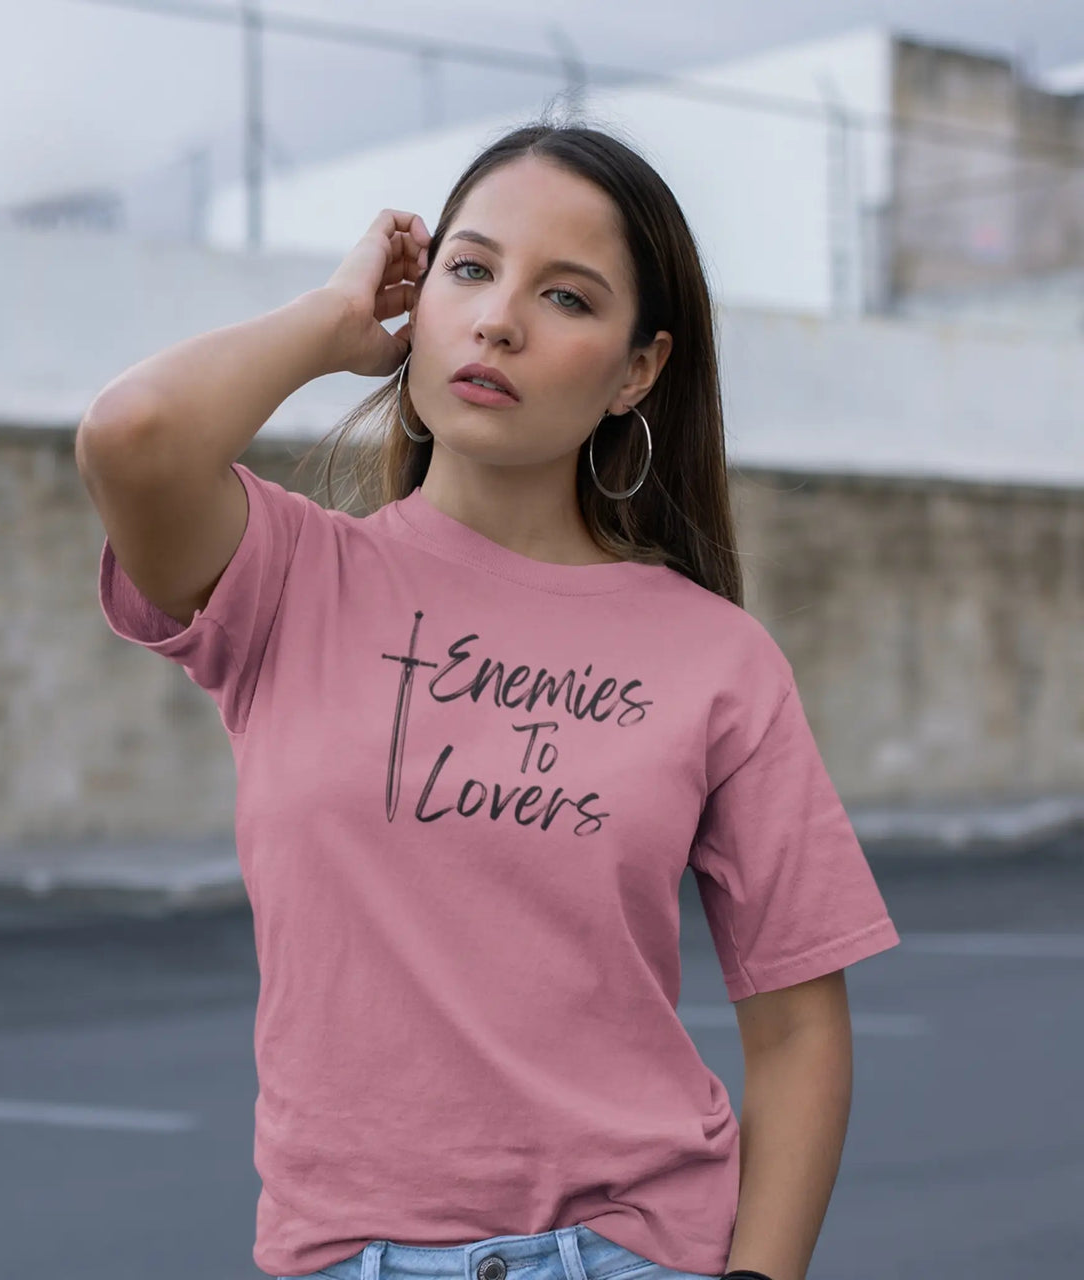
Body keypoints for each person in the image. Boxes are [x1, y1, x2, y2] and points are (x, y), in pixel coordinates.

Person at [76, 117, 901, 1280]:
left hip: (629, 1250)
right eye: (469, 270)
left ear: (637, 370)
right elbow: (134, 434)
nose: (498, 319)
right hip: (341, 1255)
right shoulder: (288, 581)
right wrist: (329, 323)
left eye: (566, 298)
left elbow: (800, 1026)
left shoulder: (719, 659)